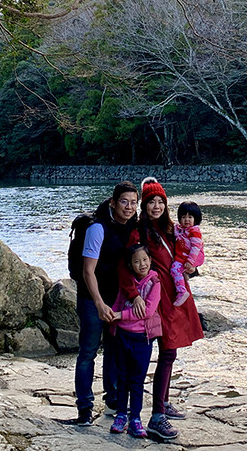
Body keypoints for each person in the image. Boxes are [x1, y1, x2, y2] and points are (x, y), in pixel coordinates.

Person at [119, 177, 204, 441]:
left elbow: (189, 252)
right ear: (144, 205)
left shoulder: (171, 228)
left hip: (177, 293)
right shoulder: (139, 231)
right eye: (151, 202)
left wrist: (193, 266)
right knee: (167, 351)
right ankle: (156, 416)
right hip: (159, 298)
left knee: (171, 352)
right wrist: (134, 295)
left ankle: (163, 402)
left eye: (160, 202)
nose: (156, 206)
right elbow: (126, 266)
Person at [75, 181, 139, 426]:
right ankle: (84, 408)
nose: (129, 207)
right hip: (92, 299)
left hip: (117, 299)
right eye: (124, 201)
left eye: (133, 202)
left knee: (114, 351)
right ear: (113, 203)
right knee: (88, 352)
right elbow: (87, 271)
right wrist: (100, 304)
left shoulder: (132, 226)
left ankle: (112, 400)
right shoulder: (97, 228)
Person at [108, 243, 162, 438]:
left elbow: (147, 312)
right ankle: (121, 415)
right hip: (123, 335)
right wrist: (112, 318)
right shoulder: (127, 282)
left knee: (137, 380)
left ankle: (135, 419)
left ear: (150, 261)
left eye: (145, 260)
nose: (142, 264)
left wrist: (120, 315)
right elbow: (118, 302)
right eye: (137, 261)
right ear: (130, 265)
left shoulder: (154, 283)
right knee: (122, 378)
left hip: (142, 338)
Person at [170, 201, 204, 306]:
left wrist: (190, 261)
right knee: (177, 269)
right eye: (183, 217)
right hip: (184, 256)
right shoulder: (181, 229)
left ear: (195, 218)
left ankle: (181, 291)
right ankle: (184, 278)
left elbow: (196, 247)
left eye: (190, 217)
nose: (187, 220)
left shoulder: (194, 231)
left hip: (191, 257)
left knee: (174, 269)